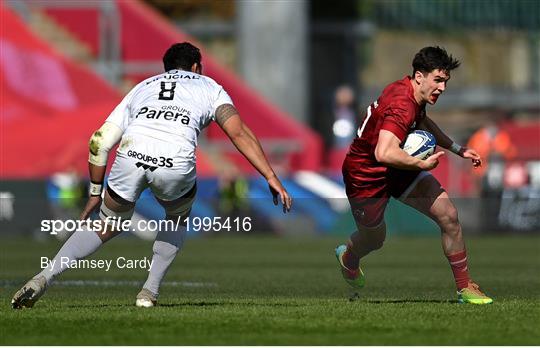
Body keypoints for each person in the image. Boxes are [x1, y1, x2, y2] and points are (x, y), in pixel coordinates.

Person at [12, 42, 292, 309]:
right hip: (175, 160)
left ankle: (43, 277)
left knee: (106, 225)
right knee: (177, 217)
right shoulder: (210, 87)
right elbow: (238, 132)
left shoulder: (142, 87)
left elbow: (99, 141)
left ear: (167, 67)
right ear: (196, 67)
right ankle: (149, 291)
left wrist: (95, 193)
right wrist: (269, 175)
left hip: (131, 155)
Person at [335, 46, 492, 304]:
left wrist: (457, 149)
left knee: (449, 215)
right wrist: (420, 165)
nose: (442, 88)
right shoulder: (402, 105)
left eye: (445, 82)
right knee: (374, 239)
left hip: (399, 167)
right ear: (420, 76)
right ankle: (349, 256)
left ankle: (465, 288)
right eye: (438, 80)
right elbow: (384, 152)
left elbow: (423, 122)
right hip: (365, 175)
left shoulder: (409, 91)